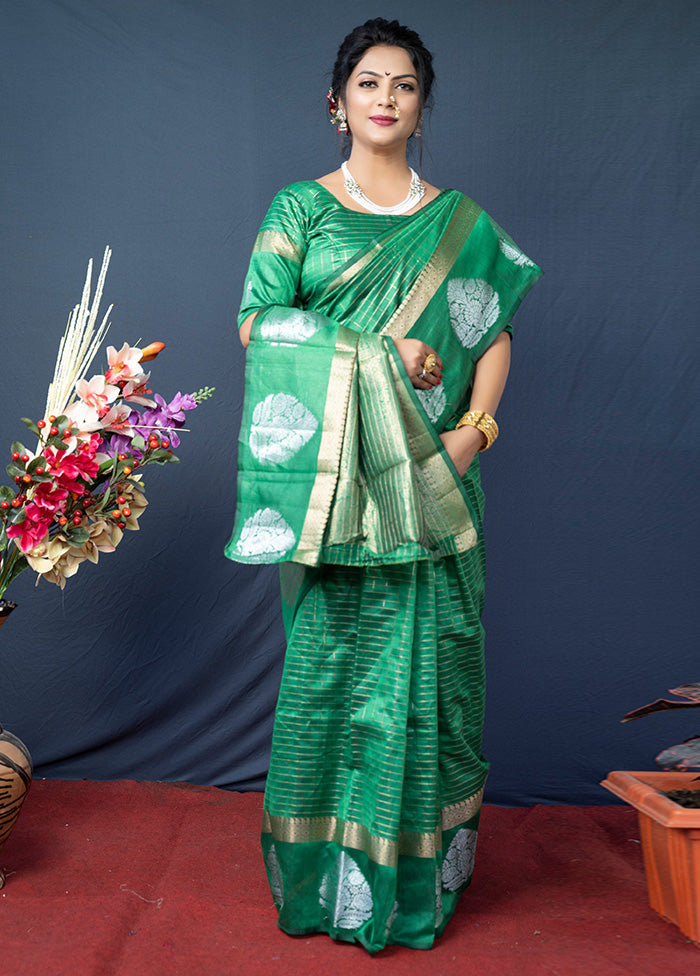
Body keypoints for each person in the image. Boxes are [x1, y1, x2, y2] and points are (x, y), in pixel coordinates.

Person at [225, 17, 542, 953]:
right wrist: (379, 350)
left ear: (420, 107)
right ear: (337, 103)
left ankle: (412, 888)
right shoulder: (300, 212)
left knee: (429, 675)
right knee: (329, 674)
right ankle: (326, 886)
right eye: (369, 83)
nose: (386, 99)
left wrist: (475, 434)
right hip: (332, 488)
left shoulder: (460, 225)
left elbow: (492, 337)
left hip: (432, 482)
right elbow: (257, 324)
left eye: (403, 86)